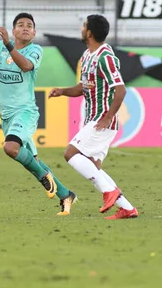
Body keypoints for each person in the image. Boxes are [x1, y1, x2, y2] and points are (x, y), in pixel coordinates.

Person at [0, 13, 77, 216]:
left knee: (11, 148)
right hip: (6, 115)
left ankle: (45, 177)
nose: (25, 28)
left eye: (29, 26)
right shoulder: (0, 48)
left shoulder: (35, 50)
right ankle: (66, 195)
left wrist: (8, 44)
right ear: (14, 30)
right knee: (32, 160)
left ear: (34, 33)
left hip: (25, 112)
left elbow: (25, 66)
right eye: (21, 25)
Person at [49, 15, 138, 220]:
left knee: (70, 153)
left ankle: (109, 192)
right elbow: (83, 87)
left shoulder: (105, 56)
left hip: (102, 120)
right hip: (94, 119)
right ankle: (127, 208)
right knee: (93, 165)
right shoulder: (88, 55)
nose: (81, 29)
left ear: (89, 32)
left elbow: (121, 90)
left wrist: (108, 117)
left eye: (83, 26)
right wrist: (62, 91)